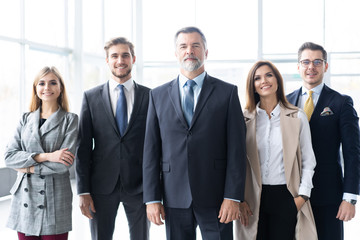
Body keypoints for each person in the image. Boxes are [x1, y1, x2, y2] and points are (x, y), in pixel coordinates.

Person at [142, 26, 247, 240]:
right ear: (176, 54)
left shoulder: (227, 93)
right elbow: (151, 151)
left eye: (195, 46)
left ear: (205, 52)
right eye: (183, 46)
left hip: (217, 198)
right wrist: (152, 199)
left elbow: (237, 150)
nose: (189, 51)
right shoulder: (157, 95)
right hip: (174, 197)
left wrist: (232, 196)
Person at [75, 37, 150, 240]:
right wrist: (83, 191)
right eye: (114, 56)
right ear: (107, 60)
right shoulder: (90, 97)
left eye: (125, 55)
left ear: (133, 59)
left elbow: (156, 146)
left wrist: (155, 191)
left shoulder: (150, 96)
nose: (120, 60)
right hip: (100, 186)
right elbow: (82, 148)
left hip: (140, 186)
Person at [234, 60, 317, 240]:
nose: (264, 80)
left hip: (286, 197)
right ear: (253, 86)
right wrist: (238, 199)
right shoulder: (243, 119)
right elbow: (235, 163)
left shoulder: (297, 116)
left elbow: (308, 161)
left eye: (269, 75)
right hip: (253, 199)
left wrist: (302, 196)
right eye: (257, 78)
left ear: (278, 81)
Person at [287, 42, 360, 240]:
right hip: (293, 196)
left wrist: (350, 198)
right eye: (306, 62)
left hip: (328, 196)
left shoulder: (341, 102)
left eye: (317, 62)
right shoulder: (286, 102)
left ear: (325, 66)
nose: (311, 67)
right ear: (298, 66)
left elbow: (353, 153)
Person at [4, 66, 78, 240]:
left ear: (60, 89)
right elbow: (9, 157)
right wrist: (47, 156)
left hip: (55, 198)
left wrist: (28, 168)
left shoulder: (70, 119)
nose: (47, 88)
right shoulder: (25, 118)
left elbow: (64, 165)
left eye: (53, 83)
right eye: (42, 83)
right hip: (25, 197)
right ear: (36, 89)